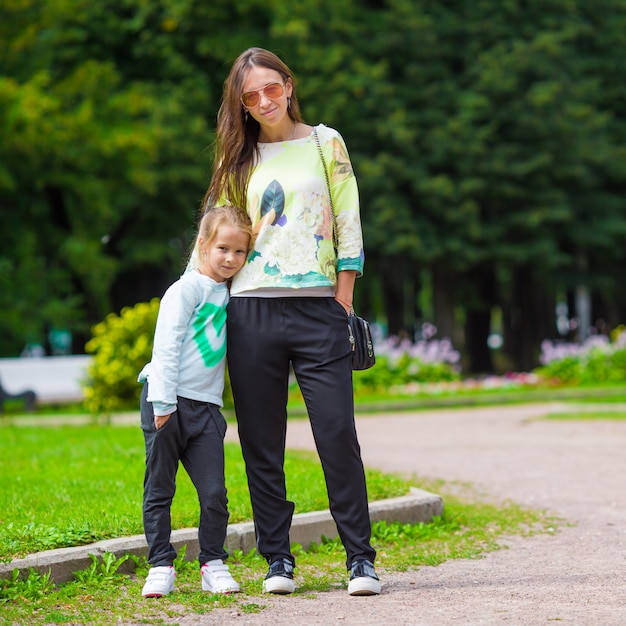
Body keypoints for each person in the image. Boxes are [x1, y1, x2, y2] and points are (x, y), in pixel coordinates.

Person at [190, 47, 381, 596]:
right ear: (243, 105)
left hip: (319, 308)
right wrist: (192, 302)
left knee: (337, 434)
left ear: (289, 85)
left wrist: (342, 300)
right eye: (251, 96)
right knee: (261, 443)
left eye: (271, 88)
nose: (264, 100)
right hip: (250, 310)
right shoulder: (239, 157)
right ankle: (278, 558)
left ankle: (360, 559)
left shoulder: (326, 142)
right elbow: (218, 236)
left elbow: (348, 219)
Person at [138, 205, 253, 598]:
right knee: (159, 489)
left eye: (240, 252)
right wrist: (163, 406)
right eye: (223, 248)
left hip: (205, 410)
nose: (231, 259)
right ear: (203, 245)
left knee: (214, 494)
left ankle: (213, 562)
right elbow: (166, 347)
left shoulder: (232, 291)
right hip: (166, 403)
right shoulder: (185, 289)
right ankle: (160, 565)